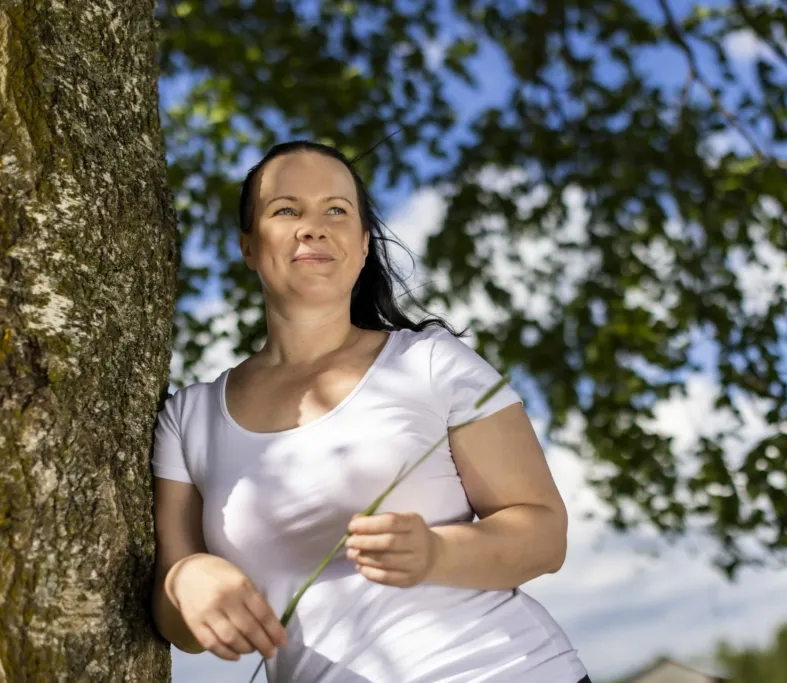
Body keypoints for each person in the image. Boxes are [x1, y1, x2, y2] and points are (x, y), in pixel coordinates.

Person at [150, 140, 591, 683]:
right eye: (286, 209)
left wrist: (434, 552)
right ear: (248, 244)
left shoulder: (429, 362)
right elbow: (180, 629)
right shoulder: (188, 418)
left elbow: (545, 537)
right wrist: (186, 580)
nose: (313, 227)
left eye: (336, 210)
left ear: (361, 247)